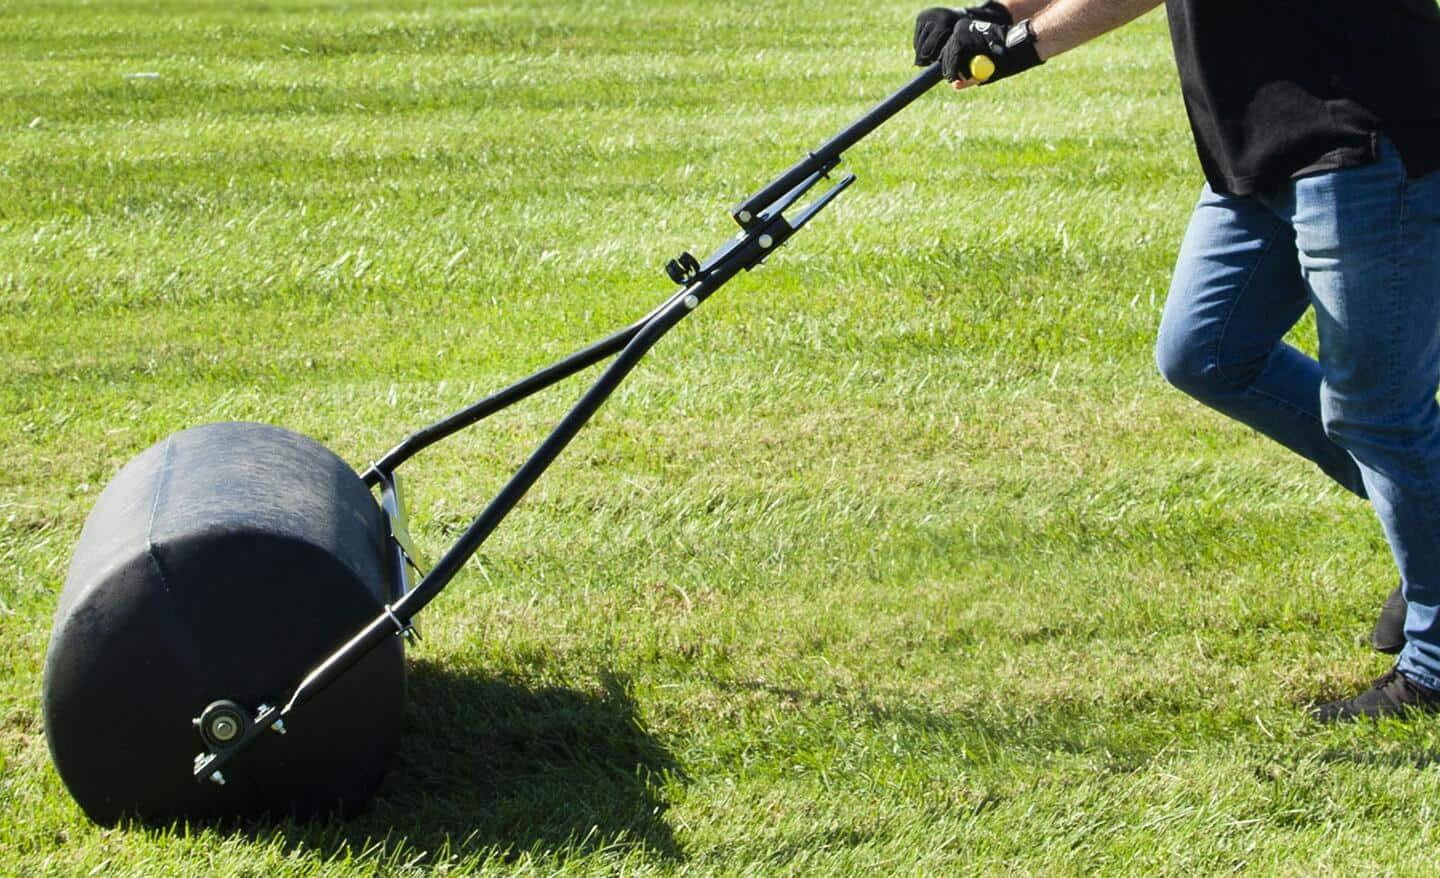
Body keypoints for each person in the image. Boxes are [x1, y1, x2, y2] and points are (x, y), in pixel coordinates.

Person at [912, 0, 1440, 721]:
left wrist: (1024, 43)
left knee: (1380, 415)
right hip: (1257, 141)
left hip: (1360, 130)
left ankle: (1433, 667)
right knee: (1205, 352)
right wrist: (995, 11)